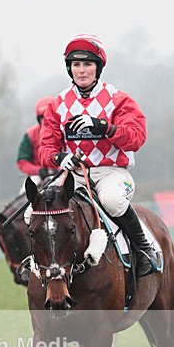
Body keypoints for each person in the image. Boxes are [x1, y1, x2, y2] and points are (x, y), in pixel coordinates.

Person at [38, 34, 159, 276]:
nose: (81, 71)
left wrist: (105, 128)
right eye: (76, 65)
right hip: (74, 174)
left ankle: (145, 249)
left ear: (98, 67)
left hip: (111, 172)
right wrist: (60, 159)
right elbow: (45, 148)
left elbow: (136, 137)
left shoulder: (119, 100)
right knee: (36, 209)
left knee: (112, 200)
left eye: (87, 64)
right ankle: (37, 267)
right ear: (70, 69)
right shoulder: (58, 104)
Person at [16, 96, 55, 181]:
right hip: (37, 176)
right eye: (42, 118)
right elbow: (22, 162)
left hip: (62, 173)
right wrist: (37, 170)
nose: (46, 121)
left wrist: (60, 168)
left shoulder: (65, 132)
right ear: (39, 119)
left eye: (49, 117)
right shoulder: (30, 135)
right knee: (29, 187)